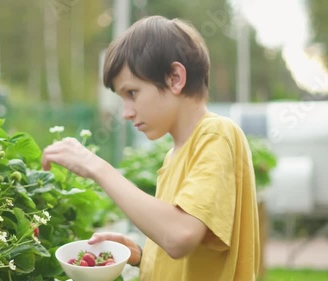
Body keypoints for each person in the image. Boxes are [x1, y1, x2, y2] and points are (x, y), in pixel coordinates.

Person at [41, 15, 259, 281]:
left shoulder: (216, 135)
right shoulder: (174, 156)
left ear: (175, 78)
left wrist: (96, 167)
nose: (126, 112)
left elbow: (180, 236)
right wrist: (142, 256)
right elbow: (185, 247)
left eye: (132, 93)